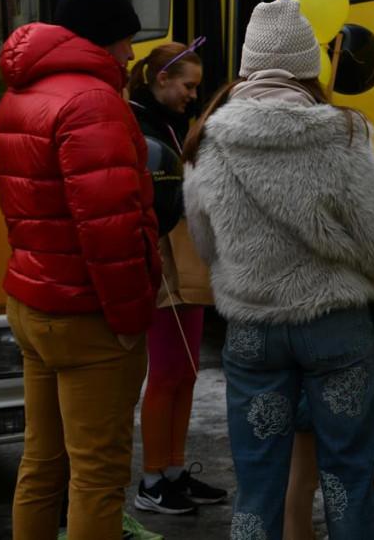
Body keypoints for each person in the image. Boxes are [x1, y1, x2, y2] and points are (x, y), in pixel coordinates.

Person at [182, 0, 374, 539]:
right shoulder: (342, 135)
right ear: (310, 66)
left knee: (258, 481)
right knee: (348, 476)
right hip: (335, 329)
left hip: (253, 333)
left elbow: (206, 245)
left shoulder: (208, 141)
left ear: (245, 65)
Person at [0, 0, 161, 540]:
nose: (132, 54)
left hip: (33, 301)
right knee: (97, 476)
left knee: (42, 464)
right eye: (126, 41)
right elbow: (110, 232)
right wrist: (132, 320)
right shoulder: (93, 102)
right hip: (87, 317)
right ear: (99, 40)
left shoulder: (20, 91)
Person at [126, 40, 228, 514]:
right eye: (187, 85)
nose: (193, 94)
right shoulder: (135, 123)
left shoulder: (171, 123)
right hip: (164, 258)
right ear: (161, 79)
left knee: (186, 372)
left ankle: (173, 471)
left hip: (186, 255)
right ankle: (150, 483)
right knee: (167, 374)